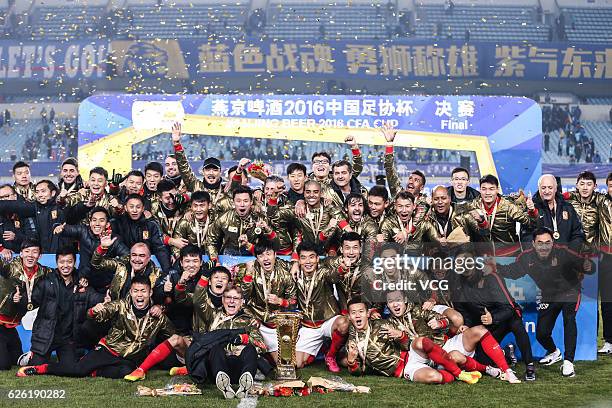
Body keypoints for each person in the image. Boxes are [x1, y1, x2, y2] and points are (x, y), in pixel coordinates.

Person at [18, 275, 174, 379]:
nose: (139, 295)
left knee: (128, 373)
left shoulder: (159, 317)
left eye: (143, 291)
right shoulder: (121, 306)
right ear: (131, 293)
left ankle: (95, 371)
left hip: (128, 359)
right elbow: (97, 314)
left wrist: (163, 308)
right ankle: (43, 368)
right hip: (108, 349)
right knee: (78, 371)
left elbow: (173, 337)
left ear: (150, 292)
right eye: (136, 291)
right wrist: (94, 310)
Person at [495, 227, 594, 377]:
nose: (544, 247)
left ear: (553, 243)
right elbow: (513, 272)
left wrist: (588, 266)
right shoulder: (526, 258)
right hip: (548, 295)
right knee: (542, 333)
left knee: (569, 319)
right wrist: (495, 268)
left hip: (570, 291)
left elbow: (584, 264)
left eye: (548, 243)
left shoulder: (563, 252)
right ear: (533, 244)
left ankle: (568, 363)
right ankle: (554, 352)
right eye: (540, 243)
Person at [294, 242, 349, 372]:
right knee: (297, 363)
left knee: (344, 323)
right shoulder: (294, 275)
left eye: (311, 257)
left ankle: (330, 356)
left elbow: (334, 275)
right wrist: (293, 264)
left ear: (317, 259)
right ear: (299, 260)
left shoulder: (323, 272)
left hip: (327, 322)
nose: (308, 261)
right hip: (309, 327)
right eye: (303, 257)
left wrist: (342, 269)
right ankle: (323, 347)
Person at [0, 240, 52, 370]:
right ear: (21, 253)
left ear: (40, 255)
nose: (30, 255)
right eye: (27, 251)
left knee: (16, 359)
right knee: (3, 365)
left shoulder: (42, 272)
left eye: (34, 252)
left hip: (11, 325)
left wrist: (81, 279)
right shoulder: (10, 267)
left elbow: (62, 273)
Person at [528, 174, 585, 252]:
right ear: (539, 189)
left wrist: (570, 252)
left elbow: (578, 233)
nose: (547, 191)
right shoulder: (532, 209)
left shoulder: (567, 207)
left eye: (550, 188)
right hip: (541, 258)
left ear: (555, 189)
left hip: (566, 259)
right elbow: (526, 236)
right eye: (543, 188)